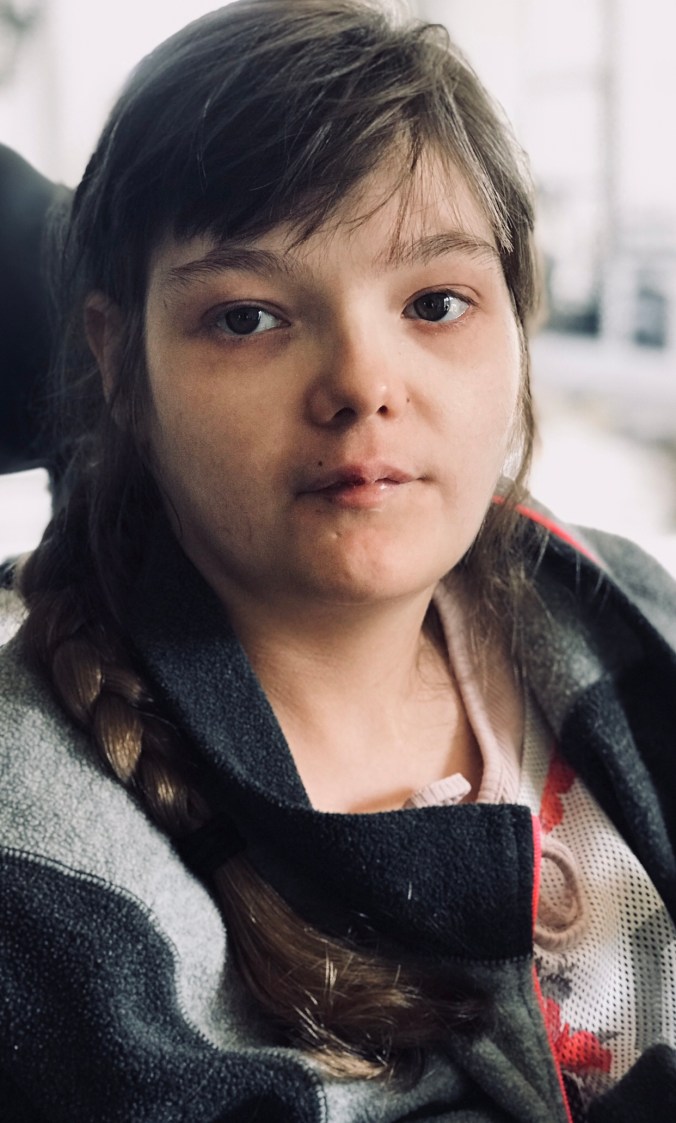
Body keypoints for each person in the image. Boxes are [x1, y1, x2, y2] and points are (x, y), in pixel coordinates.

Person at [1, 1, 675, 1120]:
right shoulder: (38, 848)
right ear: (120, 362)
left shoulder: (617, 601)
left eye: (436, 303)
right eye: (248, 318)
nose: (363, 381)